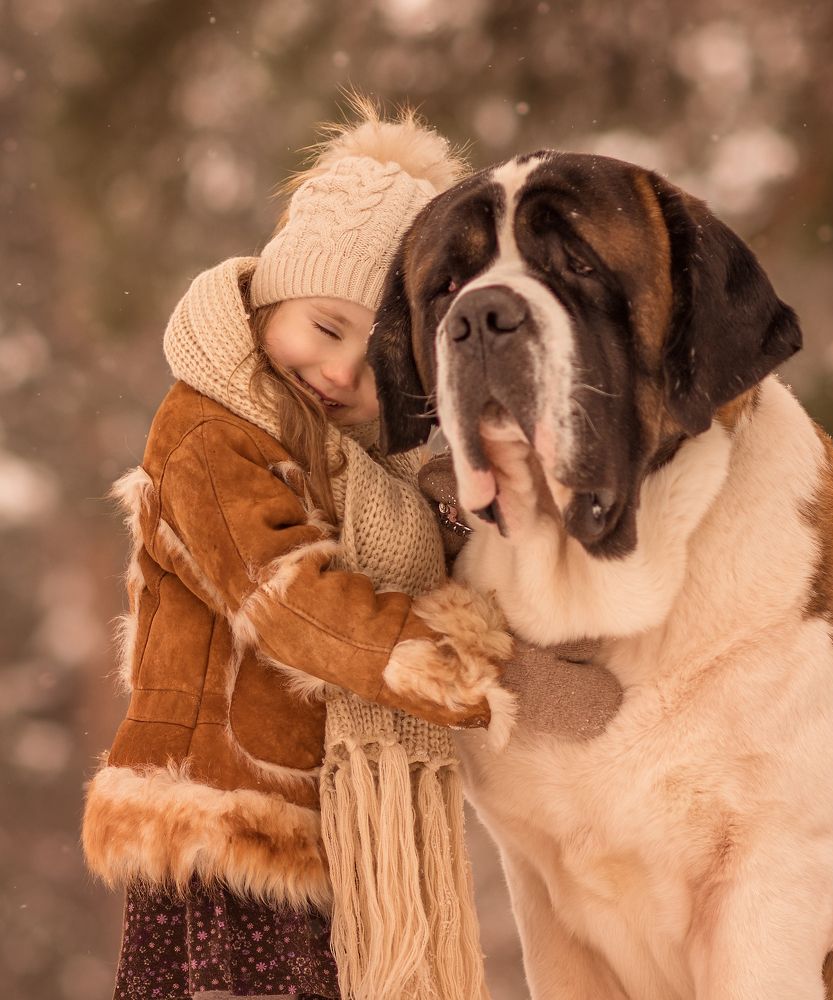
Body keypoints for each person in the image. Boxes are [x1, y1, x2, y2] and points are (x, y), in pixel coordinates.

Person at [81, 104, 510, 1000]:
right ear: (272, 297)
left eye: (380, 356)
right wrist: (435, 664)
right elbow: (284, 595)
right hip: (221, 817)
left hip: (315, 823)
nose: (344, 372)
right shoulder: (210, 432)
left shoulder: (372, 469)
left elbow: (438, 551)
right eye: (325, 328)